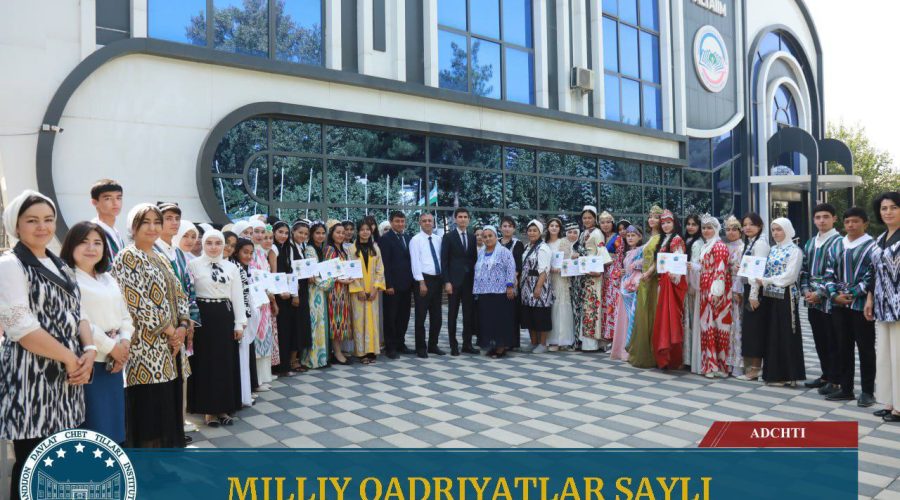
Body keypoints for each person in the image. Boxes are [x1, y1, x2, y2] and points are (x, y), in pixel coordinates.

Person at [1, 191, 95, 499]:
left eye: (48, 219)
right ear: (16, 225)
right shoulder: (11, 264)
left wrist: (89, 351)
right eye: (32, 220)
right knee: (33, 458)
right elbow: (22, 327)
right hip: (32, 376)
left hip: (68, 376)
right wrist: (71, 358)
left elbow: (79, 314)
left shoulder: (60, 264)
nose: (42, 227)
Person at [114, 203, 189, 447]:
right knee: (150, 408)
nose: (152, 227)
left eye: (157, 222)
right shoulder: (128, 256)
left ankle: (166, 458)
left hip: (171, 346)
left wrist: (182, 326)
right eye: (145, 222)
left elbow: (180, 293)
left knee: (168, 404)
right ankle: (149, 463)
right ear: (132, 226)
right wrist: (171, 332)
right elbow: (136, 302)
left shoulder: (160, 256)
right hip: (146, 348)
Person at [61, 221, 133, 444]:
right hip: (90, 361)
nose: (91, 248)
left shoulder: (107, 278)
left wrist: (124, 342)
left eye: (97, 243)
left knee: (114, 424)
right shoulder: (66, 278)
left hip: (115, 361)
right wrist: (112, 348)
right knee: (95, 425)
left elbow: (125, 315)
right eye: (84, 242)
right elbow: (78, 319)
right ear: (71, 245)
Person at [187, 230, 246, 426]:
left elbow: (237, 295)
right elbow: (189, 294)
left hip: (224, 316)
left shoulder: (231, 267)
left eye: (218, 243)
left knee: (224, 362)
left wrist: (239, 323)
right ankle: (208, 410)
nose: (213, 247)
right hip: (202, 318)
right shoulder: (193, 265)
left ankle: (223, 408)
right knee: (206, 363)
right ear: (203, 244)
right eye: (209, 243)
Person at [822, 207, 876, 406]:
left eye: (855, 221)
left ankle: (868, 392)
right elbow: (828, 273)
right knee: (842, 347)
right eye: (847, 222)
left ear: (865, 223)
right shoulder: (836, 245)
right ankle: (846, 389)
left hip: (861, 306)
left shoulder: (873, 246)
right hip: (838, 304)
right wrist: (834, 295)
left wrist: (852, 294)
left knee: (865, 348)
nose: (851, 225)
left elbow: (872, 275)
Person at [750, 217, 806, 387]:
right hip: (770, 296)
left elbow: (790, 276)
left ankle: (788, 375)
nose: (775, 233)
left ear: (787, 230)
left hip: (786, 296)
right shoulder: (773, 249)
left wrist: (767, 280)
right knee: (772, 333)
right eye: (773, 230)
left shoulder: (795, 251)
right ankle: (774, 375)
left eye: (779, 229)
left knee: (785, 332)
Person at [865, 192, 900, 423]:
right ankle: (890, 401)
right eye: (884, 208)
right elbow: (873, 272)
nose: (888, 212)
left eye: (894, 207)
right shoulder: (879, 239)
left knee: (899, 356)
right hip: (881, 304)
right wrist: (869, 298)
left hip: (898, 306)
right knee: (885, 356)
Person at [799, 203, 842, 394]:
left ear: (834, 219)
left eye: (826, 216)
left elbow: (837, 273)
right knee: (819, 338)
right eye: (818, 217)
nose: (822, 220)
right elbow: (804, 269)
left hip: (830, 299)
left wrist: (819, 293)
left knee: (833, 339)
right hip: (811, 299)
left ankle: (836, 379)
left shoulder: (839, 242)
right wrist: (806, 290)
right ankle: (825, 375)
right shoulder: (810, 242)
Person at [473, 226, 518, 358]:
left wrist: (510, 286)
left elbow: (511, 268)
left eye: (490, 236)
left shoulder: (504, 251)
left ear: (496, 236)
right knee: (488, 320)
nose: (487, 239)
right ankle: (491, 345)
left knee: (500, 320)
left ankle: (501, 347)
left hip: (501, 292)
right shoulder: (481, 252)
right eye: (485, 236)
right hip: (484, 292)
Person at [627, 205, 663, 367]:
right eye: (650, 216)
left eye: (656, 217)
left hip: (652, 280)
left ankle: (652, 354)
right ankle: (643, 351)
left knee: (651, 313)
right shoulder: (651, 237)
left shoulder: (661, 237)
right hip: (645, 279)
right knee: (643, 314)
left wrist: (649, 272)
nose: (652, 219)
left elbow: (658, 259)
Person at [697, 215, 732, 378]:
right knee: (708, 327)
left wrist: (716, 293)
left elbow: (720, 270)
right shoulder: (707, 245)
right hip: (705, 291)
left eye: (709, 228)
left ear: (716, 229)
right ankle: (710, 365)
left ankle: (718, 367)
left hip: (716, 292)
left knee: (718, 329)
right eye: (704, 228)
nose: (706, 231)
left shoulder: (719, 246)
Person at [651, 210, 687, 370]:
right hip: (663, 282)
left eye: (668, 222)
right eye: (663, 223)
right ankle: (665, 355)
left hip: (671, 284)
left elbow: (679, 263)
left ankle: (672, 357)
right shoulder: (664, 239)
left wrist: (674, 275)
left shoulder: (676, 239)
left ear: (674, 223)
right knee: (664, 318)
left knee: (670, 318)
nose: (665, 225)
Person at [347, 220, 385, 364]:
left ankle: (371, 350)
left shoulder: (375, 248)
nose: (365, 232)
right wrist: (358, 289)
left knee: (372, 320)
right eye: (362, 229)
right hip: (358, 292)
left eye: (367, 229)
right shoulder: (351, 249)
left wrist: (376, 288)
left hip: (373, 291)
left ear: (371, 231)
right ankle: (361, 352)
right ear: (358, 231)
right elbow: (350, 270)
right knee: (359, 321)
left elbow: (380, 269)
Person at [441, 208, 479, 356]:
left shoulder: (472, 237)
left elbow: (474, 259)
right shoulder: (448, 237)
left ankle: (467, 344)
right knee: (453, 314)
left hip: (469, 283)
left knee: (468, 315)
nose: (463, 219)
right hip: (454, 283)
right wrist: (447, 282)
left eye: (465, 217)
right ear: (455, 219)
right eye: (460, 217)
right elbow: (444, 261)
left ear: (469, 219)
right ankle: (453, 345)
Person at [247, 219, 279, 387]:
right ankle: (256, 379)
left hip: (265, 300)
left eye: (262, 232)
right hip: (256, 301)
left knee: (265, 336)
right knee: (257, 337)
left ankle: (265, 375)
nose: (260, 235)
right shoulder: (249, 253)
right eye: (256, 232)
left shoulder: (261, 253)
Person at [410, 212, 445, 357]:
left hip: (437, 280)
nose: (427, 223)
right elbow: (415, 262)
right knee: (421, 316)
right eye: (424, 221)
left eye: (430, 220)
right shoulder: (415, 240)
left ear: (434, 222)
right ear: (420, 223)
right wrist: (421, 282)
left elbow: (442, 259)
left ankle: (433, 345)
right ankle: (420, 347)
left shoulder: (438, 239)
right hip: (423, 280)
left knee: (437, 316)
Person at [380, 211, 414, 359]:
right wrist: (388, 284)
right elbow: (385, 264)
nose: (400, 224)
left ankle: (401, 343)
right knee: (391, 317)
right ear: (391, 222)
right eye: (397, 221)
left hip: (407, 285)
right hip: (392, 286)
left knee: (403, 317)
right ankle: (390, 347)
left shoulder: (408, 238)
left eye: (402, 221)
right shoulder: (385, 239)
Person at [271, 221, 302, 376]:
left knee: (288, 330)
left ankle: (285, 365)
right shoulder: (273, 248)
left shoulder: (288, 248)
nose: (283, 235)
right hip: (278, 295)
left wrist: (295, 294)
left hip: (289, 294)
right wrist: (279, 292)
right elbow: (274, 273)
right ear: (274, 232)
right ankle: (280, 367)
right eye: (280, 232)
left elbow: (292, 272)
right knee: (281, 331)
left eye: (285, 233)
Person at [230, 237, 257, 406]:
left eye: (251, 253)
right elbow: (240, 296)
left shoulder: (243, 267)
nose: (248, 256)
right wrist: (243, 317)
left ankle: (244, 394)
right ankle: (241, 395)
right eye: (245, 252)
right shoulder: (235, 267)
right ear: (237, 252)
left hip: (244, 317)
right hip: (239, 318)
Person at [304, 222, 335, 369]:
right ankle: (313, 359)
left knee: (320, 322)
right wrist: (330, 282)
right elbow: (313, 274)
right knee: (315, 323)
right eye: (317, 233)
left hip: (320, 291)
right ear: (312, 234)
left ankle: (321, 358)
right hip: (313, 291)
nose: (321, 236)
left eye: (323, 233)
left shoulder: (322, 248)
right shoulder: (309, 250)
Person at [520, 220, 554, 353]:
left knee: (541, 314)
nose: (532, 233)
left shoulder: (543, 248)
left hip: (539, 284)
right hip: (526, 285)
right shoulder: (527, 246)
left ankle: (543, 344)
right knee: (529, 314)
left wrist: (538, 287)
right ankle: (533, 342)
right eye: (530, 230)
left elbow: (544, 270)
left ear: (540, 232)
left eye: (535, 231)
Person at [611, 226, 644, 361]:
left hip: (634, 289)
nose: (630, 238)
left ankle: (631, 350)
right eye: (628, 235)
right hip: (625, 288)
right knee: (624, 319)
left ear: (640, 237)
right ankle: (622, 349)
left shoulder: (642, 251)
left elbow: (643, 267)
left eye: (633, 235)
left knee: (632, 319)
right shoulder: (628, 252)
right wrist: (623, 272)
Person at [576, 206, 606, 352]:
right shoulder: (583, 233)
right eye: (584, 218)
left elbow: (601, 252)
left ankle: (592, 343)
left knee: (592, 306)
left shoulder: (597, 233)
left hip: (594, 274)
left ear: (595, 219)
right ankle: (585, 341)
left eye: (589, 217)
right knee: (586, 306)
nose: (587, 220)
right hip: (585, 274)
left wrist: (599, 270)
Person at [325, 220, 354, 363]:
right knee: (336, 321)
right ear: (332, 233)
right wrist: (341, 281)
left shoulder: (342, 249)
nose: (341, 235)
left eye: (343, 233)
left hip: (343, 290)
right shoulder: (330, 249)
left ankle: (338, 350)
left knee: (342, 320)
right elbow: (327, 272)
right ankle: (336, 352)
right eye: (338, 232)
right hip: (334, 290)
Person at [546, 219, 575, 351]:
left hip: (560, 278)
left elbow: (569, 262)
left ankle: (561, 340)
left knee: (561, 306)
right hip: (547, 278)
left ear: (560, 228)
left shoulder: (564, 241)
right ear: (548, 228)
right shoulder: (545, 243)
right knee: (550, 307)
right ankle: (549, 338)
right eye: (551, 225)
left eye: (556, 226)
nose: (554, 228)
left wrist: (560, 268)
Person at [288, 220, 312, 372]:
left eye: (305, 234)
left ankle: (296, 358)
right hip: (295, 290)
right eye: (300, 232)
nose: (302, 236)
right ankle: (292, 360)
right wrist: (295, 294)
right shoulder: (290, 248)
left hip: (303, 289)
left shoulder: (301, 247)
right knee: (295, 325)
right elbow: (292, 273)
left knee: (301, 324)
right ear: (293, 231)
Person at [723, 216, 745, 376]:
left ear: (740, 231)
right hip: (723, 288)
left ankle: (738, 363)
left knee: (737, 324)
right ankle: (726, 362)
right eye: (728, 229)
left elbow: (742, 271)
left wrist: (737, 290)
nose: (731, 232)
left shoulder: (743, 247)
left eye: (734, 229)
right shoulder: (723, 246)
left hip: (736, 288)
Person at [499, 216, 526, 349]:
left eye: (510, 226)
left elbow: (518, 266)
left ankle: (511, 342)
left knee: (511, 313)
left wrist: (509, 282)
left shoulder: (517, 244)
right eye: (504, 226)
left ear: (514, 229)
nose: (507, 229)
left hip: (511, 283)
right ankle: (499, 340)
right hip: (496, 284)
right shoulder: (496, 242)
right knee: (500, 313)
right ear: (500, 228)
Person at [682, 215, 704, 373]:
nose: (690, 227)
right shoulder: (687, 241)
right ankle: (686, 357)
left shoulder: (698, 243)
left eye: (694, 224)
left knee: (691, 321)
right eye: (688, 224)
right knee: (686, 320)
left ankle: (690, 358)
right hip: (685, 284)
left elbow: (696, 266)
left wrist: (691, 284)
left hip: (692, 286)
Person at [89, 179, 126, 259]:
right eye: (108, 198)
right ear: (94, 202)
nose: (115, 203)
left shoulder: (116, 233)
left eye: (118, 198)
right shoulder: (91, 231)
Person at [599, 211, 620, 343]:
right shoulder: (600, 236)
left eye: (608, 222)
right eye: (602, 222)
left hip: (613, 273)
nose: (605, 225)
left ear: (612, 223)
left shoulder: (617, 237)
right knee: (604, 304)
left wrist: (610, 259)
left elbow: (620, 255)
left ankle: (613, 338)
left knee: (612, 303)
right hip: (601, 273)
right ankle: (604, 336)